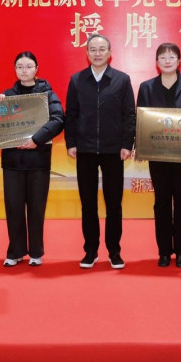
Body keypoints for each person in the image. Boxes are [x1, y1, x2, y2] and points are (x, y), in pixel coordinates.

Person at [65, 34, 136, 269]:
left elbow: (129, 114)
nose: (97, 53)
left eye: (102, 49)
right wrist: (71, 142)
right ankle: (90, 250)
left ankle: (114, 251)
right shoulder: (77, 80)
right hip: (84, 149)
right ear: (87, 53)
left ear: (110, 53)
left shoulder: (121, 80)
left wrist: (127, 144)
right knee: (88, 203)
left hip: (113, 150)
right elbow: (71, 114)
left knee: (114, 203)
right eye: (93, 49)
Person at [137, 43, 181, 268]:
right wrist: (140, 146)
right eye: (163, 57)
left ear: (179, 61)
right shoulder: (147, 87)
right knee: (162, 202)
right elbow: (141, 120)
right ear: (157, 62)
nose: (167, 61)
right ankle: (164, 251)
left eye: (172, 57)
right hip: (158, 155)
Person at [0, 52, 64, 267]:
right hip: (12, 162)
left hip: (38, 160)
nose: (24, 70)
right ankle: (15, 251)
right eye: (20, 66)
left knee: (36, 208)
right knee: (13, 208)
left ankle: (36, 251)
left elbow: (58, 119)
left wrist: (36, 139)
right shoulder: (6, 96)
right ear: (15, 69)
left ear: (36, 68)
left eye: (28, 66)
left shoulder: (47, 94)